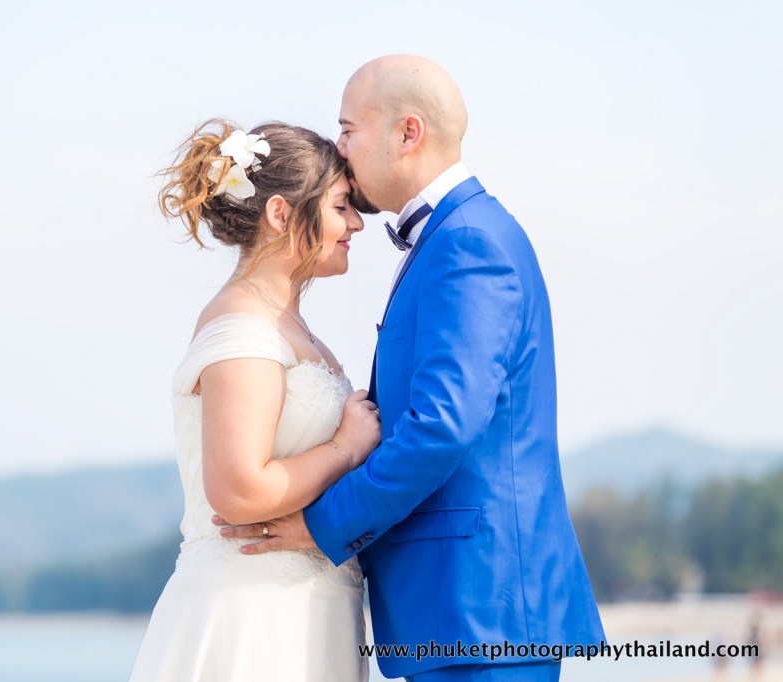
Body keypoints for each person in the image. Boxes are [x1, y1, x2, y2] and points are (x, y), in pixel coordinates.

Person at [217, 55, 606, 681]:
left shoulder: (468, 241)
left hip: (480, 610)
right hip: (461, 614)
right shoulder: (455, 236)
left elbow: (442, 426)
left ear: (408, 133)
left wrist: (324, 524)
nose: (339, 149)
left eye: (348, 129)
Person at [128, 119, 380, 681]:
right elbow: (240, 489)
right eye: (342, 206)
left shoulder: (285, 324)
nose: (357, 224)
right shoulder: (244, 327)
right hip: (252, 616)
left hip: (305, 612)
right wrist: (345, 447)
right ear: (281, 214)